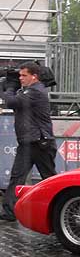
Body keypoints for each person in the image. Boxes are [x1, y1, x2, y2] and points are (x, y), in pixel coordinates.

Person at [0, 61, 57, 222]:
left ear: (35, 77)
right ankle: (9, 211)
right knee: (16, 177)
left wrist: (9, 87)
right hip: (27, 143)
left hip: (41, 144)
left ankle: (59, 208)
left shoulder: (36, 91)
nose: (21, 78)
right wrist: (12, 87)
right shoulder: (27, 91)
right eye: (19, 75)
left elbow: (11, 102)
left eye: (24, 75)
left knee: (49, 179)